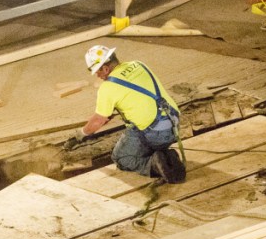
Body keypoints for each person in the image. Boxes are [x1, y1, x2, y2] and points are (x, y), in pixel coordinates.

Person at [66, 45, 185, 183]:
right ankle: (164, 154)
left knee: (121, 157)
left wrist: (81, 134)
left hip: (156, 134)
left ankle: (155, 165)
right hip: (174, 124)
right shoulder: (139, 64)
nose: (98, 76)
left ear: (105, 68)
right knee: (141, 129)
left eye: (98, 72)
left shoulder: (107, 88)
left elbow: (98, 120)